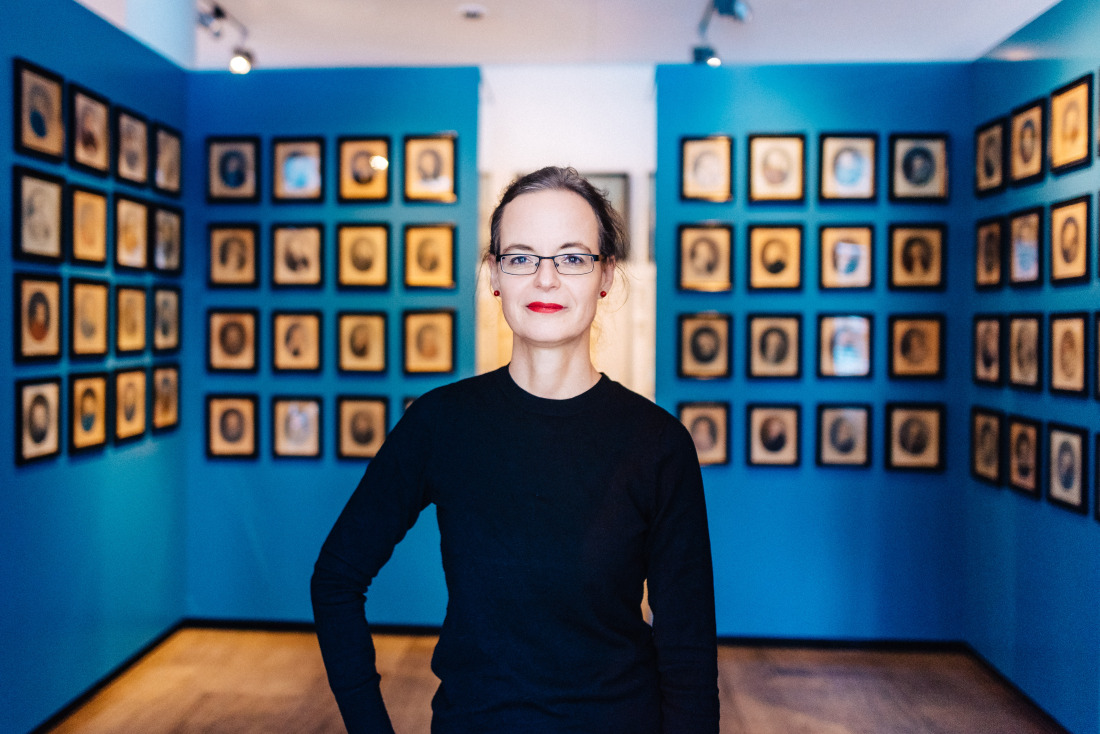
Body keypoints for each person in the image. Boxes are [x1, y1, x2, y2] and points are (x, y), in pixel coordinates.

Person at [312, 166, 719, 733]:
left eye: (572, 257)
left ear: (605, 275)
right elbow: (335, 579)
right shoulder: (440, 423)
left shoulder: (657, 443)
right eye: (522, 256)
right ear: (495, 274)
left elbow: (689, 652)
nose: (545, 280)